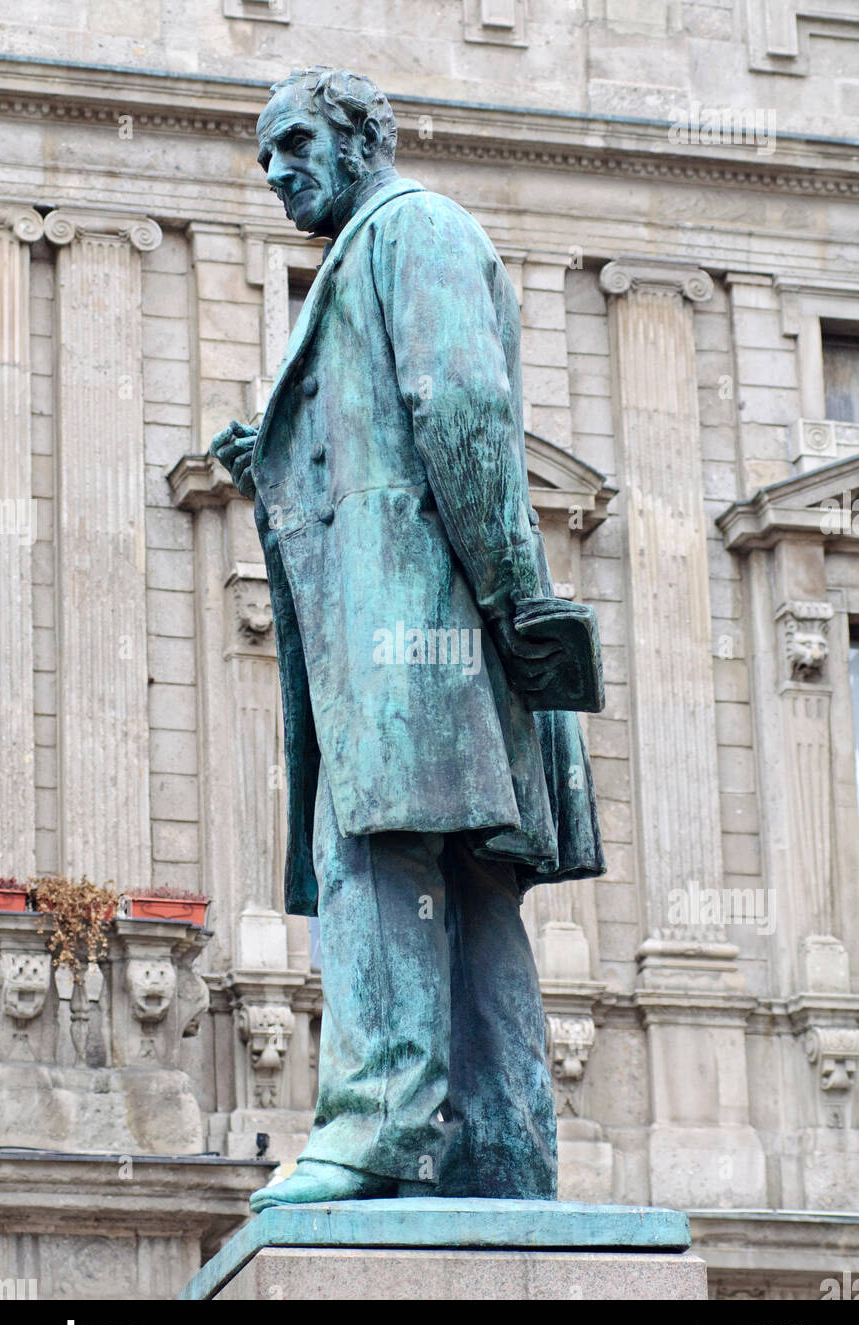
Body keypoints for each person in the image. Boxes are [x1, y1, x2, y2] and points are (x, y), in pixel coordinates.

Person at [211, 66, 604, 1206]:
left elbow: (462, 410)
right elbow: (392, 425)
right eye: (262, 158)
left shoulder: (413, 227)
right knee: (472, 897)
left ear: (356, 135)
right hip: (426, 642)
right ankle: (502, 1153)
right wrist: (274, 453)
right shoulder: (370, 251)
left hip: (414, 645)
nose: (276, 173)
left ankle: (376, 1124)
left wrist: (521, 602)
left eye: (291, 144)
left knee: (376, 858)